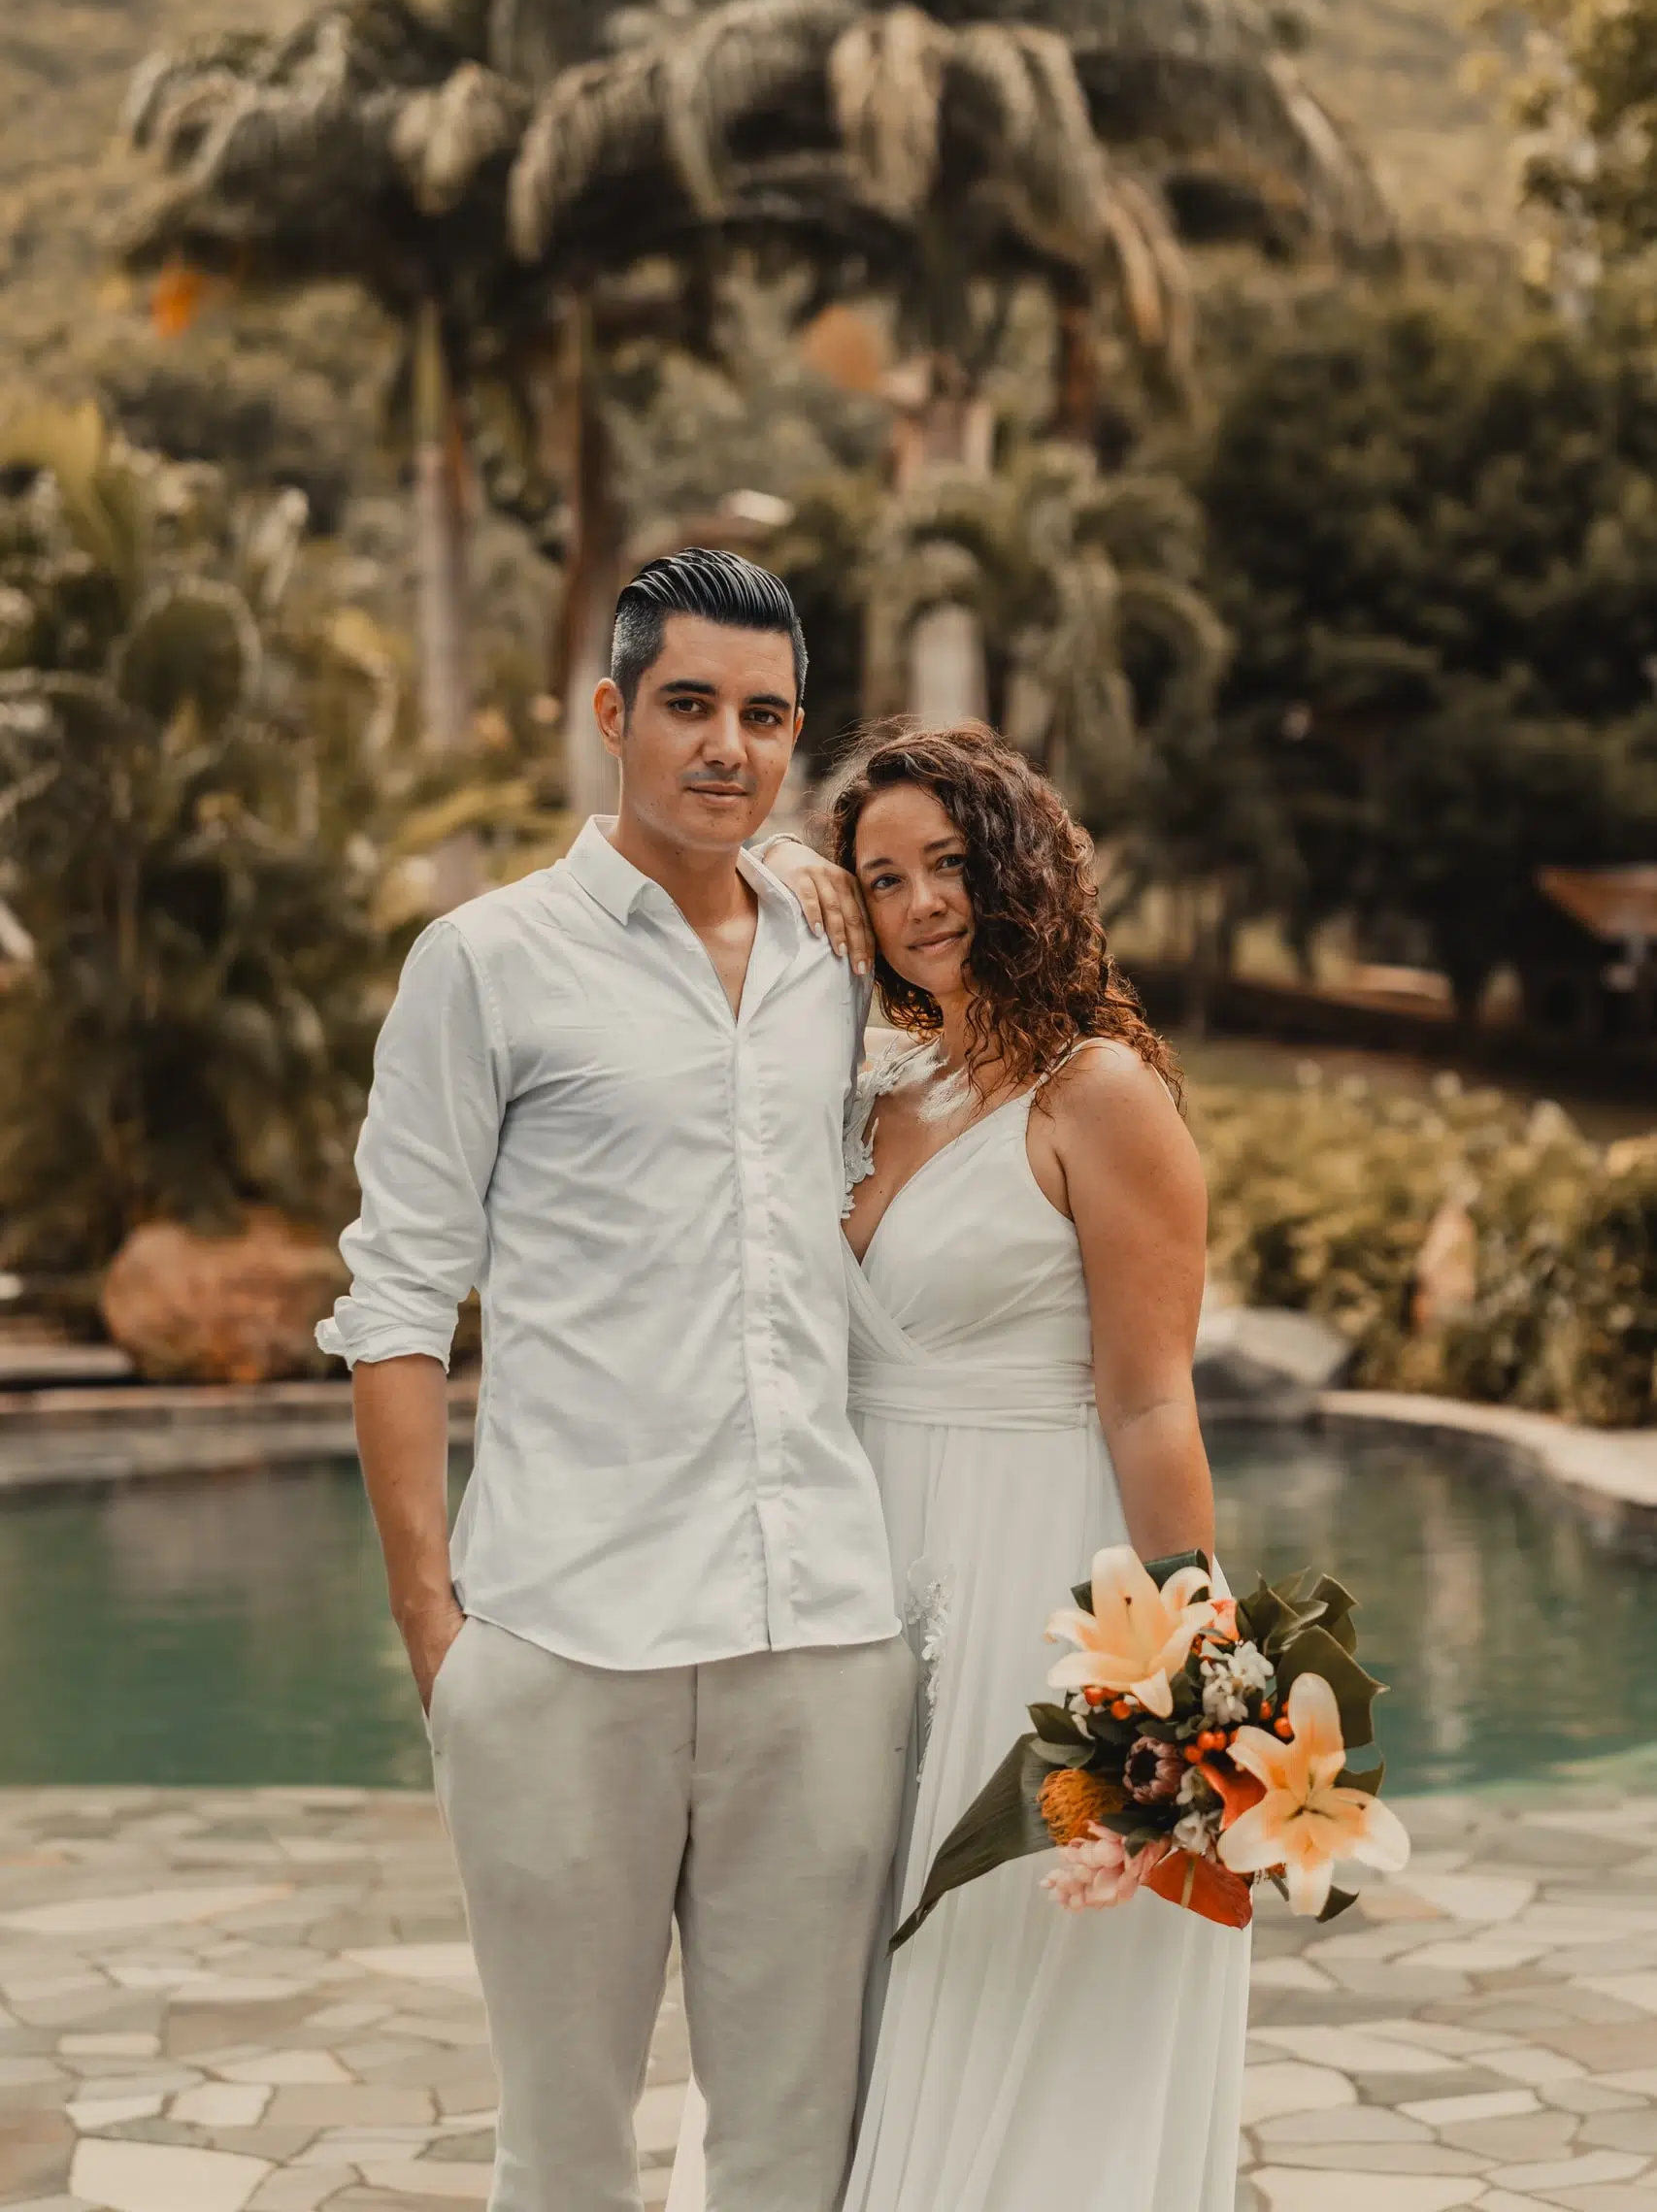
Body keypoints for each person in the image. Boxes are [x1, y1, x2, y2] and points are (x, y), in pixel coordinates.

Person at [318, 547, 914, 2212]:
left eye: (765, 717)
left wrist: (804, 873)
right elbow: (396, 1297)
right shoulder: (485, 962)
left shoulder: (834, 958)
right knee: (567, 2151)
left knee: (796, 2152)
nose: (727, 746)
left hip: (818, 1641)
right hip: (564, 1645)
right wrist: (436, 1632)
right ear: (610, 713)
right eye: (689, 706)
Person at [774, 720, 1250, 2212]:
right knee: (856, 1959)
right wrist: (789, 873)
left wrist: (1189, 1677)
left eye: (948, 862)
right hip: (864, 1576)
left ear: (1017, 867)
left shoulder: (1098, 1094)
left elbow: (1150, 1403)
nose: (920, 901)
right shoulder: (873, 1092)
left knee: (1001, 1949)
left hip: (1035, 1576)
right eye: (882, 877)